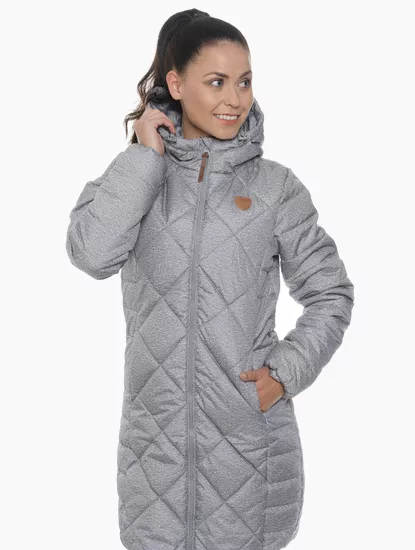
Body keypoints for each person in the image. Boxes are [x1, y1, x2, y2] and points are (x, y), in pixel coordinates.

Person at [65, 8, 354, 550]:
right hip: (155, 460)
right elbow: (92, 254)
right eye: (217, 82)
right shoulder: (136, 178)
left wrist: (283, 374)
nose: (235, 99)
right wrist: (143, 157)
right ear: (176, 85)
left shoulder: (275, 189)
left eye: (244, 81)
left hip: (250, 455)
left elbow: (331, 293)